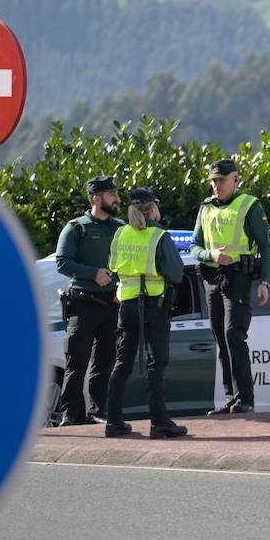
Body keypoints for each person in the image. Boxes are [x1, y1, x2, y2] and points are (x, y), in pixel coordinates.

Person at [103, 187, 188, 439]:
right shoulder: (158, 235)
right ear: (152, 208)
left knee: (122, 363)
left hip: (127, 305)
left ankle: (113, 422)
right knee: (156, 363)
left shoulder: (120, 233)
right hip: (153, 305)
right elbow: (176, 273)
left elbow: (111, 267)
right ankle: (159, 423)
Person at [192, 158, 270, 414]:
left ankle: (245, 399)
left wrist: (265, 281)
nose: (216, 185)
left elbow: (265, 245)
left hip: (238, 277)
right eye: (213, 181)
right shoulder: (205, 208)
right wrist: (210, 256)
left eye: (221, 180)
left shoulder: (249, 205)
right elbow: (194, 246)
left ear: (235, 179)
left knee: (233, 335)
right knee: (221, 339)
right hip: (212, 277)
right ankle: (231, 399)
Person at [54, 175, 123, 426]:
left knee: (105, 362)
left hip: (112, 304)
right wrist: (93, 273)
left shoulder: (120, 227)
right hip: (83, 303)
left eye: (116, 193)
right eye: (111, 194)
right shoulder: (76, 227)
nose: (116, 198)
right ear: (96, 198)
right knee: (77, 361)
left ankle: (98, 411)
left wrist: (120, 285)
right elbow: (62, 262)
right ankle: (71, 415)